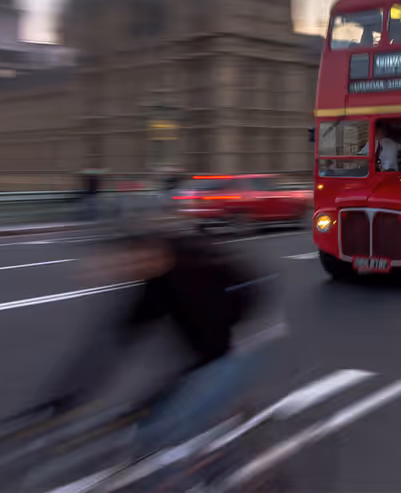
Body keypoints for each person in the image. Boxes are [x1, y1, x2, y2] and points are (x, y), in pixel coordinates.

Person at [30, 191, 264, 465]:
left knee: (171, 427)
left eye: (137, 261)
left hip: (220, 344)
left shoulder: (194, 274)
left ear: (155, 250)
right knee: (154, 419)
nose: (130, 270)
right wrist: (67, 398)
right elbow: (112, 345)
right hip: (202, 343)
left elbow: (209, 351)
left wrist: (155, 400)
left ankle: (215, 463)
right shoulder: (154, 287)